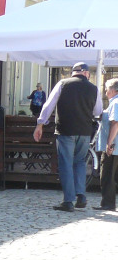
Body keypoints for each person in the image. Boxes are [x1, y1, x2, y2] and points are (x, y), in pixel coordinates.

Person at [34, 62, 103, 212]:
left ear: (73, 72)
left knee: (66, 164)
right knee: (80, 162)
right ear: (86, 73)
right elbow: (98, 111)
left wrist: (40, 124)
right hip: (84, 131)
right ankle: (81, 195)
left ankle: (68, 201)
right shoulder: (94, 88)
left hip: (65, 130)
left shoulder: (62, 84)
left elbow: (49, 105)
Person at [96, 79, 118, 210]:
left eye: (107, 88)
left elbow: (115, 123)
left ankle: (108, 204)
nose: (105, 91)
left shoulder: (115, 102)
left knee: (107, 175)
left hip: (113, 146)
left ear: (114, 90)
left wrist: (109, 143)